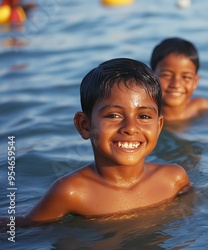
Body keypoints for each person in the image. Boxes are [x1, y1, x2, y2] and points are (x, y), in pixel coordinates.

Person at [23, 58, 190, 223]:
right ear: (84, 125)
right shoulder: (71, 192)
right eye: (113, 115)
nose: (131, 128)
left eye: (144, 116)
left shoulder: (174, 179)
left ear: (159, 126)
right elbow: (24, 229)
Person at [150, 37, 208, 122]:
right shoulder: (148, 113)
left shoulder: (200, 107)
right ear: (151, 77)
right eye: (166, 75)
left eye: (186, 77)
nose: (176, 84)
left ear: (195, 81)